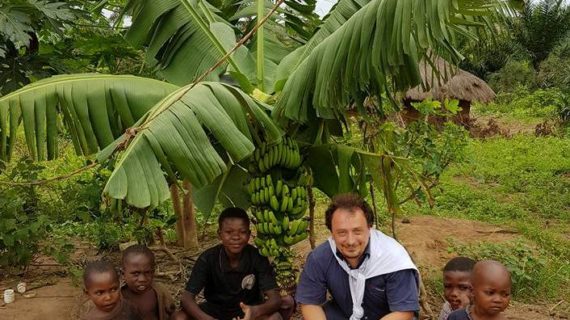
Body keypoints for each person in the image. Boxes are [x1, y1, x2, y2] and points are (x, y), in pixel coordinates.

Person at [296, 193, 419, 320]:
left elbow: (404, 312)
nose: (350, 241)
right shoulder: (320, 258)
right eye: (342, 233)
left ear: (370, 227)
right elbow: (310, 303)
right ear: (331, 232)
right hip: (343, 314)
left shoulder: (393, 258)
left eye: (357, 231)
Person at [174, 207, 294, 320]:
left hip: (249, 310)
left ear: (248, 234)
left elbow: (275, 298)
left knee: (276, 315)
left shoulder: (257, 257)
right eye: (229, 232)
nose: (235, 237)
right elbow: (187, 298)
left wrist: (254, 311)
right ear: (219, 234)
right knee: (179, 317)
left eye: (242, 232)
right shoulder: (208, 258)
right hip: (215, 311)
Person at [121, 244, 176, 320]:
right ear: (123, 274)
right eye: (135, 274)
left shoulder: (160, 293)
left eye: (147, 273)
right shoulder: (118, 297)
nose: (142, 279)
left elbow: (172, 313)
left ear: (153, 272)